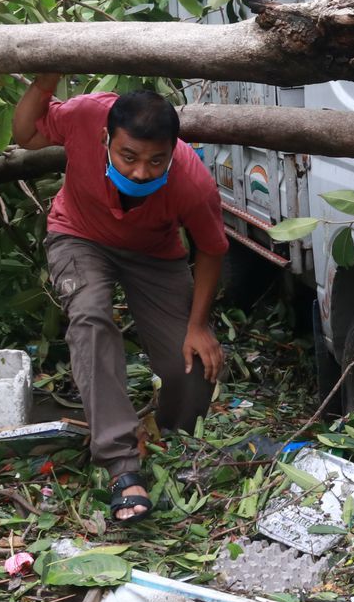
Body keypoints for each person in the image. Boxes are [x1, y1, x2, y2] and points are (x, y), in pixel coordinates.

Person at [12, 73, 227, 523]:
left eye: (155, 161)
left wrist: (198, 326)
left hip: (155, 255)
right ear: (106, 137)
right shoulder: (87, 114)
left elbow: (211, 249)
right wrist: (44, 82)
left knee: (189, 367)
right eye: (128, 156)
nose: (140, 172)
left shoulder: (193, 182)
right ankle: (122, 466)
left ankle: (174, 440)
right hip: (79, 236)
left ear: (173, 151)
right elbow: (26, 135)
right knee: (90, 319)